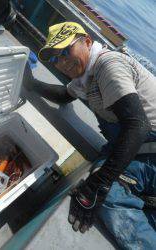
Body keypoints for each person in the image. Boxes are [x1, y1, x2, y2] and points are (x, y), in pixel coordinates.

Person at [24, 22, 156, 250]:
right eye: (55, 59)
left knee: (105, 196)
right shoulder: (85, 77)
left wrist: (101, 184)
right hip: (137, 149)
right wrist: (31, 84)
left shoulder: (108, 66)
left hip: (148, 153)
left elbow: (138, 126)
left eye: (66, 51)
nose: (62, 62)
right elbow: (64, 95)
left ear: (87, 41)